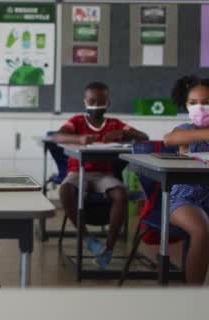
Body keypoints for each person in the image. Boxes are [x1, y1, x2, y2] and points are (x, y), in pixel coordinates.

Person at [54, 81, 149, 269]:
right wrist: (79, 139)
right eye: (92, 100)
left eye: (101, 101)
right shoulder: (77, 121)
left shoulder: (115, 124)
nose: (96, 105)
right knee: (65, 190)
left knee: (120, 193)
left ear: (108, 102)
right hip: (78, 172)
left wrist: (122, 133)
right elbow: (58, 136)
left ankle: (109, 248)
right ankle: (86, 237)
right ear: (84, 101)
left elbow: (143, 137)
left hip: (103, 174)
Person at [163, 75, 209, 285]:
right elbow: (170, 139)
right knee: (202, 230)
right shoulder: (184, 129)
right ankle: (194, 297)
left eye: (206, 103)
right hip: (184, 199)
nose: (200, 108)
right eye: (193, 103)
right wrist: (205, 134)